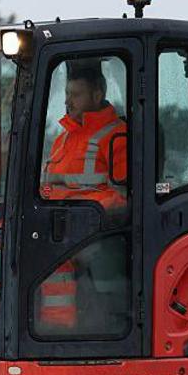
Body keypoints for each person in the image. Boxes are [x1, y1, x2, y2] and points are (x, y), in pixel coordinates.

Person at [37, 60, 128, 330]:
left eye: (75, 95)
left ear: (97, 95)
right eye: (66, 95)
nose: (68, 102)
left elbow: (123, 198)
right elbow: (50, 184)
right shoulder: (63, 138)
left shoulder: (116, 137)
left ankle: (56, 329)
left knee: (47, 258)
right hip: (53, 220)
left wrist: (79, 213)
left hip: (90, 230)